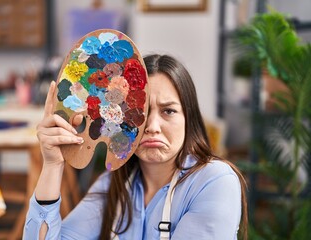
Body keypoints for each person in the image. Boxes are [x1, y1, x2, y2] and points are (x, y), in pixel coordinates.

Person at [23, 54, 248, 240]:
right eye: (139, 111)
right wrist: (52, 164)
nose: (152, 126)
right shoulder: (113, 184)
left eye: (168, 111)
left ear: (189, 118)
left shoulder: (215, 181)